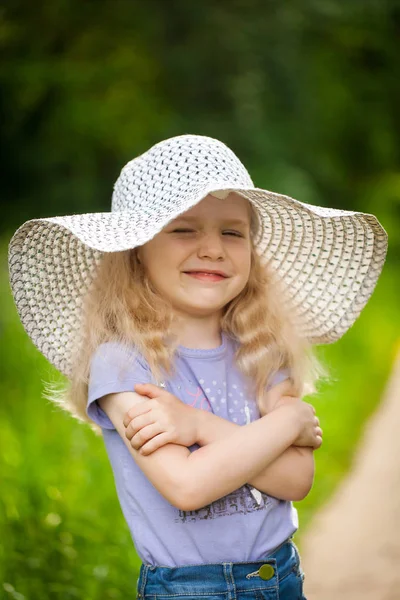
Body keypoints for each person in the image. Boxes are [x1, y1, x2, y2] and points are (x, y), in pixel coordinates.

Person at [8, 134, 388, 599]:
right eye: (184, 229)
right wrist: (286, 422)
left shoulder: (261, 349)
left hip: (280, 579)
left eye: (232, 232)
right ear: (137, 251)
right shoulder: (123, 364)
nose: (213, 249)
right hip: (188, 589)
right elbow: (188, 486)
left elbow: (296, 480)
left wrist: (197, 426)